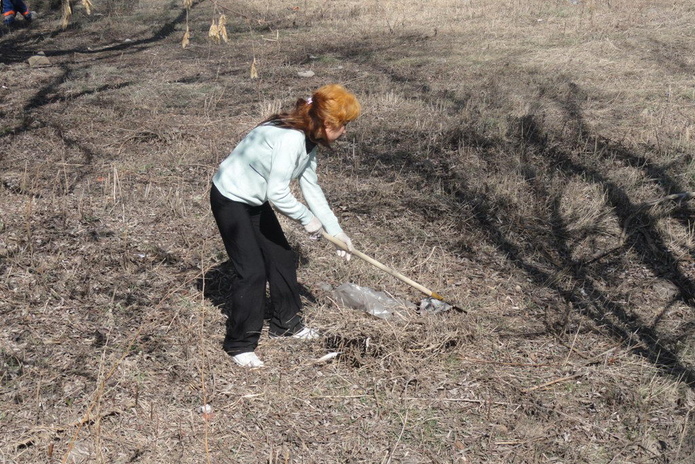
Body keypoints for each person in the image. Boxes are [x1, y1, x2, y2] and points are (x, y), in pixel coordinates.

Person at [210, 84, 360, 368]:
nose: (346, 132)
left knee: (282, 257)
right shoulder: (291, 138)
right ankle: (239, 344)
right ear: (327, 123)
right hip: (231, 197)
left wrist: (335, 230)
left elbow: (310, 186)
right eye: (344, 125)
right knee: (252, 272)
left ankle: (287, 325)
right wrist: (307, 220)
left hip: (254, 198)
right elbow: (277, 193)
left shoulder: (309, 138)